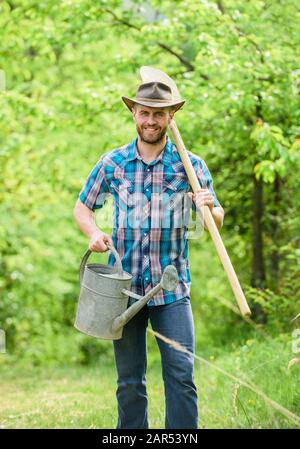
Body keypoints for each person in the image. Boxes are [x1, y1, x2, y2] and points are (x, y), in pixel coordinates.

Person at [73, 75, 224, 429]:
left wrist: (207, 206)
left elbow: (216, 218)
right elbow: (82, 207)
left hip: (171, 290)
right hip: (122, 292)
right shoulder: (113, 163)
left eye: (159, 114)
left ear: (171, 117)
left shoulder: (191, 166)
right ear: (134, 113)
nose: (151, 121)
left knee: (182, 377)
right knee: (129, 383)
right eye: (145, 113)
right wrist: (94, 233)